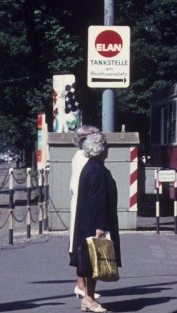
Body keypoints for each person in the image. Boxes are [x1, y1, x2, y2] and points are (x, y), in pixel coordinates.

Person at [70, 132, 120, 313]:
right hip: (93, 223)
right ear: (99, 149)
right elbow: (97, 199)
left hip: (88, 221)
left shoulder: (92, 167)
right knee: (93, 262)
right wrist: (100, 226)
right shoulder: (96, 170)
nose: (108, 149)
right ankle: (88, 299)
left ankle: (88, 298)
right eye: (106, 145)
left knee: (93, 262)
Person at [69, 125, 101, 301]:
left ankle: (82, 286)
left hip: (79, 205)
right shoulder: (83, 158)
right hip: (83, 207)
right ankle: (82, 286)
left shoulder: (79, 156)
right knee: (82, 247)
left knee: (79, 245)